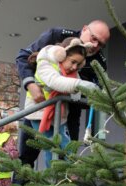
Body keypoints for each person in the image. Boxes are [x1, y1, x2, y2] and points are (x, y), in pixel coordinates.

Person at [16, 20, 110, 169]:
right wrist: (31, 85)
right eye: (94, 39)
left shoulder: (99, 62)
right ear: (84, 29)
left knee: (64, 154)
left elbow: (94, 94)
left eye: (101, 44)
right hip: (39, 106)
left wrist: (75, 94)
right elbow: (23, 57)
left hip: (69, 114)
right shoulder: (57, 35)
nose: (96, 45)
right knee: (26, 157)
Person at [25, 37, 98, 168]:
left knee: (66, 143)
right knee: (50, 146)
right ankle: (52, 177)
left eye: (78, 64)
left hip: (60, 114)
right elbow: (56, 82)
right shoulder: (46, 64)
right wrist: (82, 85)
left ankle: (71, 170)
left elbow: (75, 93)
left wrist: (82, 92)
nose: (74, 67)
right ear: (62, 55)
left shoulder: (72, 72)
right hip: (39, 113)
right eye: (73, 62)